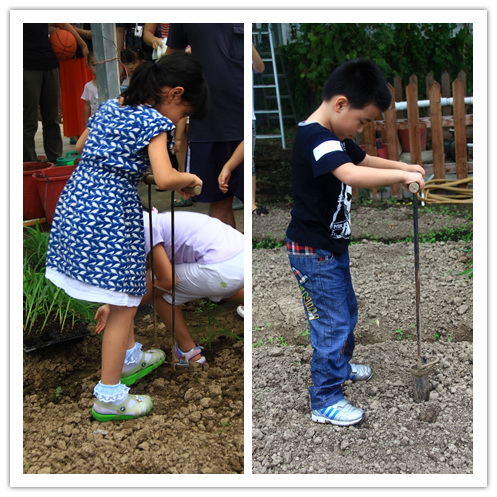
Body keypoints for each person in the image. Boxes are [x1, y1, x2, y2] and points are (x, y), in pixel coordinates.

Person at [45, 52, 208, 422]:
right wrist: (190, 179)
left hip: (76, 202)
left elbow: (82, 148)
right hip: (110, 215)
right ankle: (110, 397)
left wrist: (131, 167)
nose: (179, 120)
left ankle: (131, 358)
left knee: (120, 291)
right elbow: (166, 178)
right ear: (174, 94)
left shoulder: (111, 105)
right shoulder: (155, 122)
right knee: (124, 305)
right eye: (183, 112)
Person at [286, 58, 425, 426]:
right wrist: (400, 178)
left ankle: (340, 367)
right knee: (331, 323)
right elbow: (351, 174)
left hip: (330, 247)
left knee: (346, 311)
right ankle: (325, 398)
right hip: (312, 252)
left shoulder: (336, 138)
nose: (361, 129)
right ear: (341, 104)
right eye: (362, 121)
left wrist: (406, 167)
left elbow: (363, 160)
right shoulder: (316, 138)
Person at [95, 209, 244, 366]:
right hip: (240, 257)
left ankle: (188, 352)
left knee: (158, 287)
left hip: (221, 268)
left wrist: (120, 304)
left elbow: (167, 282)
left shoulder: (142, 229)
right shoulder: (151, 220)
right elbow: (145, 266)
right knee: (215, 284)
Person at [166, 24, 244, 229]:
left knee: (251, 201)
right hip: (209, 119)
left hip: (246, 115)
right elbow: (170, 63)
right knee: (219, 201)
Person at [23, 23, 65, 162]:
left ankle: (55, 158)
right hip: (27, 65)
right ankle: (29, 162)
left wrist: (79, 42)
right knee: (29, 119)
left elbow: (56, 24)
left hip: (49, 62)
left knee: (52, 117)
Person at [252, 43, 269, 216]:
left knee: (248, 159)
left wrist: (250, 46)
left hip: (247, 115)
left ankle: (251, 202)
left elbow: (260, 67)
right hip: (227, 113)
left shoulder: (246, 48)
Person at [81, 51, 98, 126]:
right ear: (88, 65)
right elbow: (87, 105)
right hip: (95, 122)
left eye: (99, 64)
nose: (97, 68)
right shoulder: (88, 86)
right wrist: (87, 123)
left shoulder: (110, 84)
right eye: (94, 65)